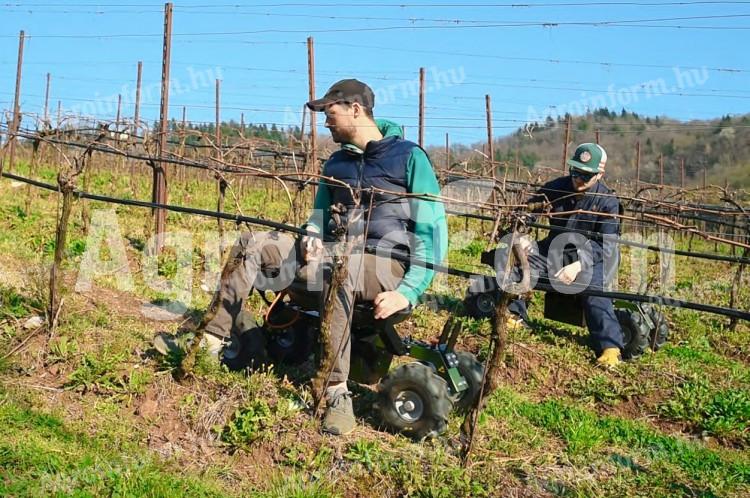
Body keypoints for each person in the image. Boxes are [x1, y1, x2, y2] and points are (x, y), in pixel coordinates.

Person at [156, 79, 448, 436]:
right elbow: (319, 216)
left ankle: (335, 393)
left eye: (330, 112)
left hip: (386, 264)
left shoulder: (408, 157)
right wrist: (311, 233)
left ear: (356, 110)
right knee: (252, 243)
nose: (325, 122)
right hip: (331, 253)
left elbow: (431, 233)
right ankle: (210, 341)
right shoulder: (337, 163)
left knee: (343, 272)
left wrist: (409, 291)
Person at [507, 142, 624, 367]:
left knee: (594, 290)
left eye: (585, 175)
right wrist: (521, 234)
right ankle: (515, 314)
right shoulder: (557, 187)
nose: (578, 178)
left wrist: (578, 266)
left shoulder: (608, 202)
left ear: (599, 175)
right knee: (523, 267)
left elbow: (606, 246)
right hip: (556, 247)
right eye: (575, 171)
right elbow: (528, 210)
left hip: (592, 255)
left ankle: (610, 346)